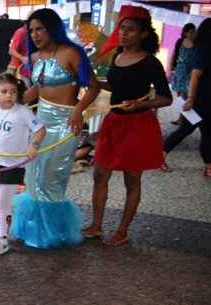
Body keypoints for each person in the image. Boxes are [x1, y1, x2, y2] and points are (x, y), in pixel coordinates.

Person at [83, 6, 174, 246]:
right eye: (122, 28)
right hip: (114, 123)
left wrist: (140, 105)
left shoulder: (151, 63)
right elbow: (117, 87)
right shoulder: (117, 56)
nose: (124, 34)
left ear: (143, 34)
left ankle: (122, 231)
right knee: (100, 174)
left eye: (131, 30)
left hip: (138, 125)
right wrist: (94, 83)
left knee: (131, 180)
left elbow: (166, 98)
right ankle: (96, 225)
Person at [10, 8, 100, 250]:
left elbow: (93, 86)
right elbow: (37, 91)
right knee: (33, 177)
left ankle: (53, 232)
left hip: (65, 124)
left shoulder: (70, 53)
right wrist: (10, 104)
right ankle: (33, 229)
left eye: (40, 28)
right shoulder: (36, 57)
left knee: (52, 179)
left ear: (52, 27)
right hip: (40, 125)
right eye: (31, 30)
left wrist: (78, 110)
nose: (35, 34)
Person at [0, 73, 46, 255]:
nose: (9, 95)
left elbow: (41, 130)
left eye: (13, 91)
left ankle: (3, 238)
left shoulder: (23, 112)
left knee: (4, 201)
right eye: (4, 91)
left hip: (14, 164)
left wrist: (33, 145)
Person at [162, 23, 198, 171]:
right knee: (181, 97)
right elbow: (174, 56)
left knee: (191, 126)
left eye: (193, 32)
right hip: (182, 72)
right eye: (189, 32)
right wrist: (170, 70)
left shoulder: (198, 45)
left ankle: (183, 116)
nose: (191, 34)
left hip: (190, 75)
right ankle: (182, 115)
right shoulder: (180, 42)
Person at [183, 18, 211, 178]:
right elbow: (195, 75)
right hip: (203, 98)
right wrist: (191, 98)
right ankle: (208, 165)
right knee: (196, 130)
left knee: (203, 131)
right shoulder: (204, 49)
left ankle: (208, 164)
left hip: (204, 98)